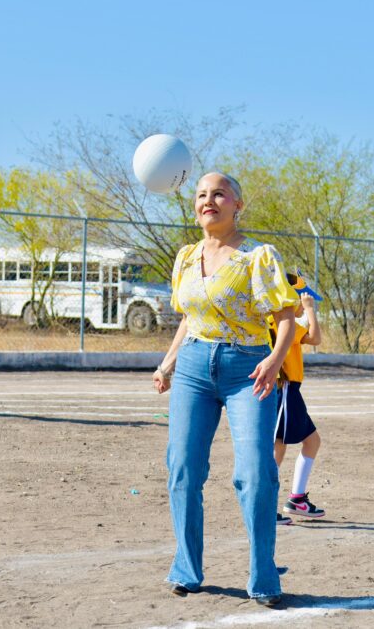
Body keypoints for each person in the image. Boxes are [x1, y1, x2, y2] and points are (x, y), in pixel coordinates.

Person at [152, 171, 298, 607]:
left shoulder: (258, 257)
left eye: (219, 194)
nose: (208, 201)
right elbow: (189, 318)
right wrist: (167, 364)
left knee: (255, 472)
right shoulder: (185, 257)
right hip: (193, 368)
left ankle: (264, 575)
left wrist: (274, 360)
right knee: (183, 468)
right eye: (201, 194)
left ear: (237, 205)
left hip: (247, 370)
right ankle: (186, 568)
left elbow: (286, 317)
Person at [271, 275, 325, 525]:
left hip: (290, 391)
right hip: (284, 388)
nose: (303, 304)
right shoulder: (284, 321)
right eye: (301, 299)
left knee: (311, 441)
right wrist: (310, 310)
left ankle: (297, 499)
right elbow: (315, 338)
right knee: (277, 447)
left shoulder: (278, 319)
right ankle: (266, 506)